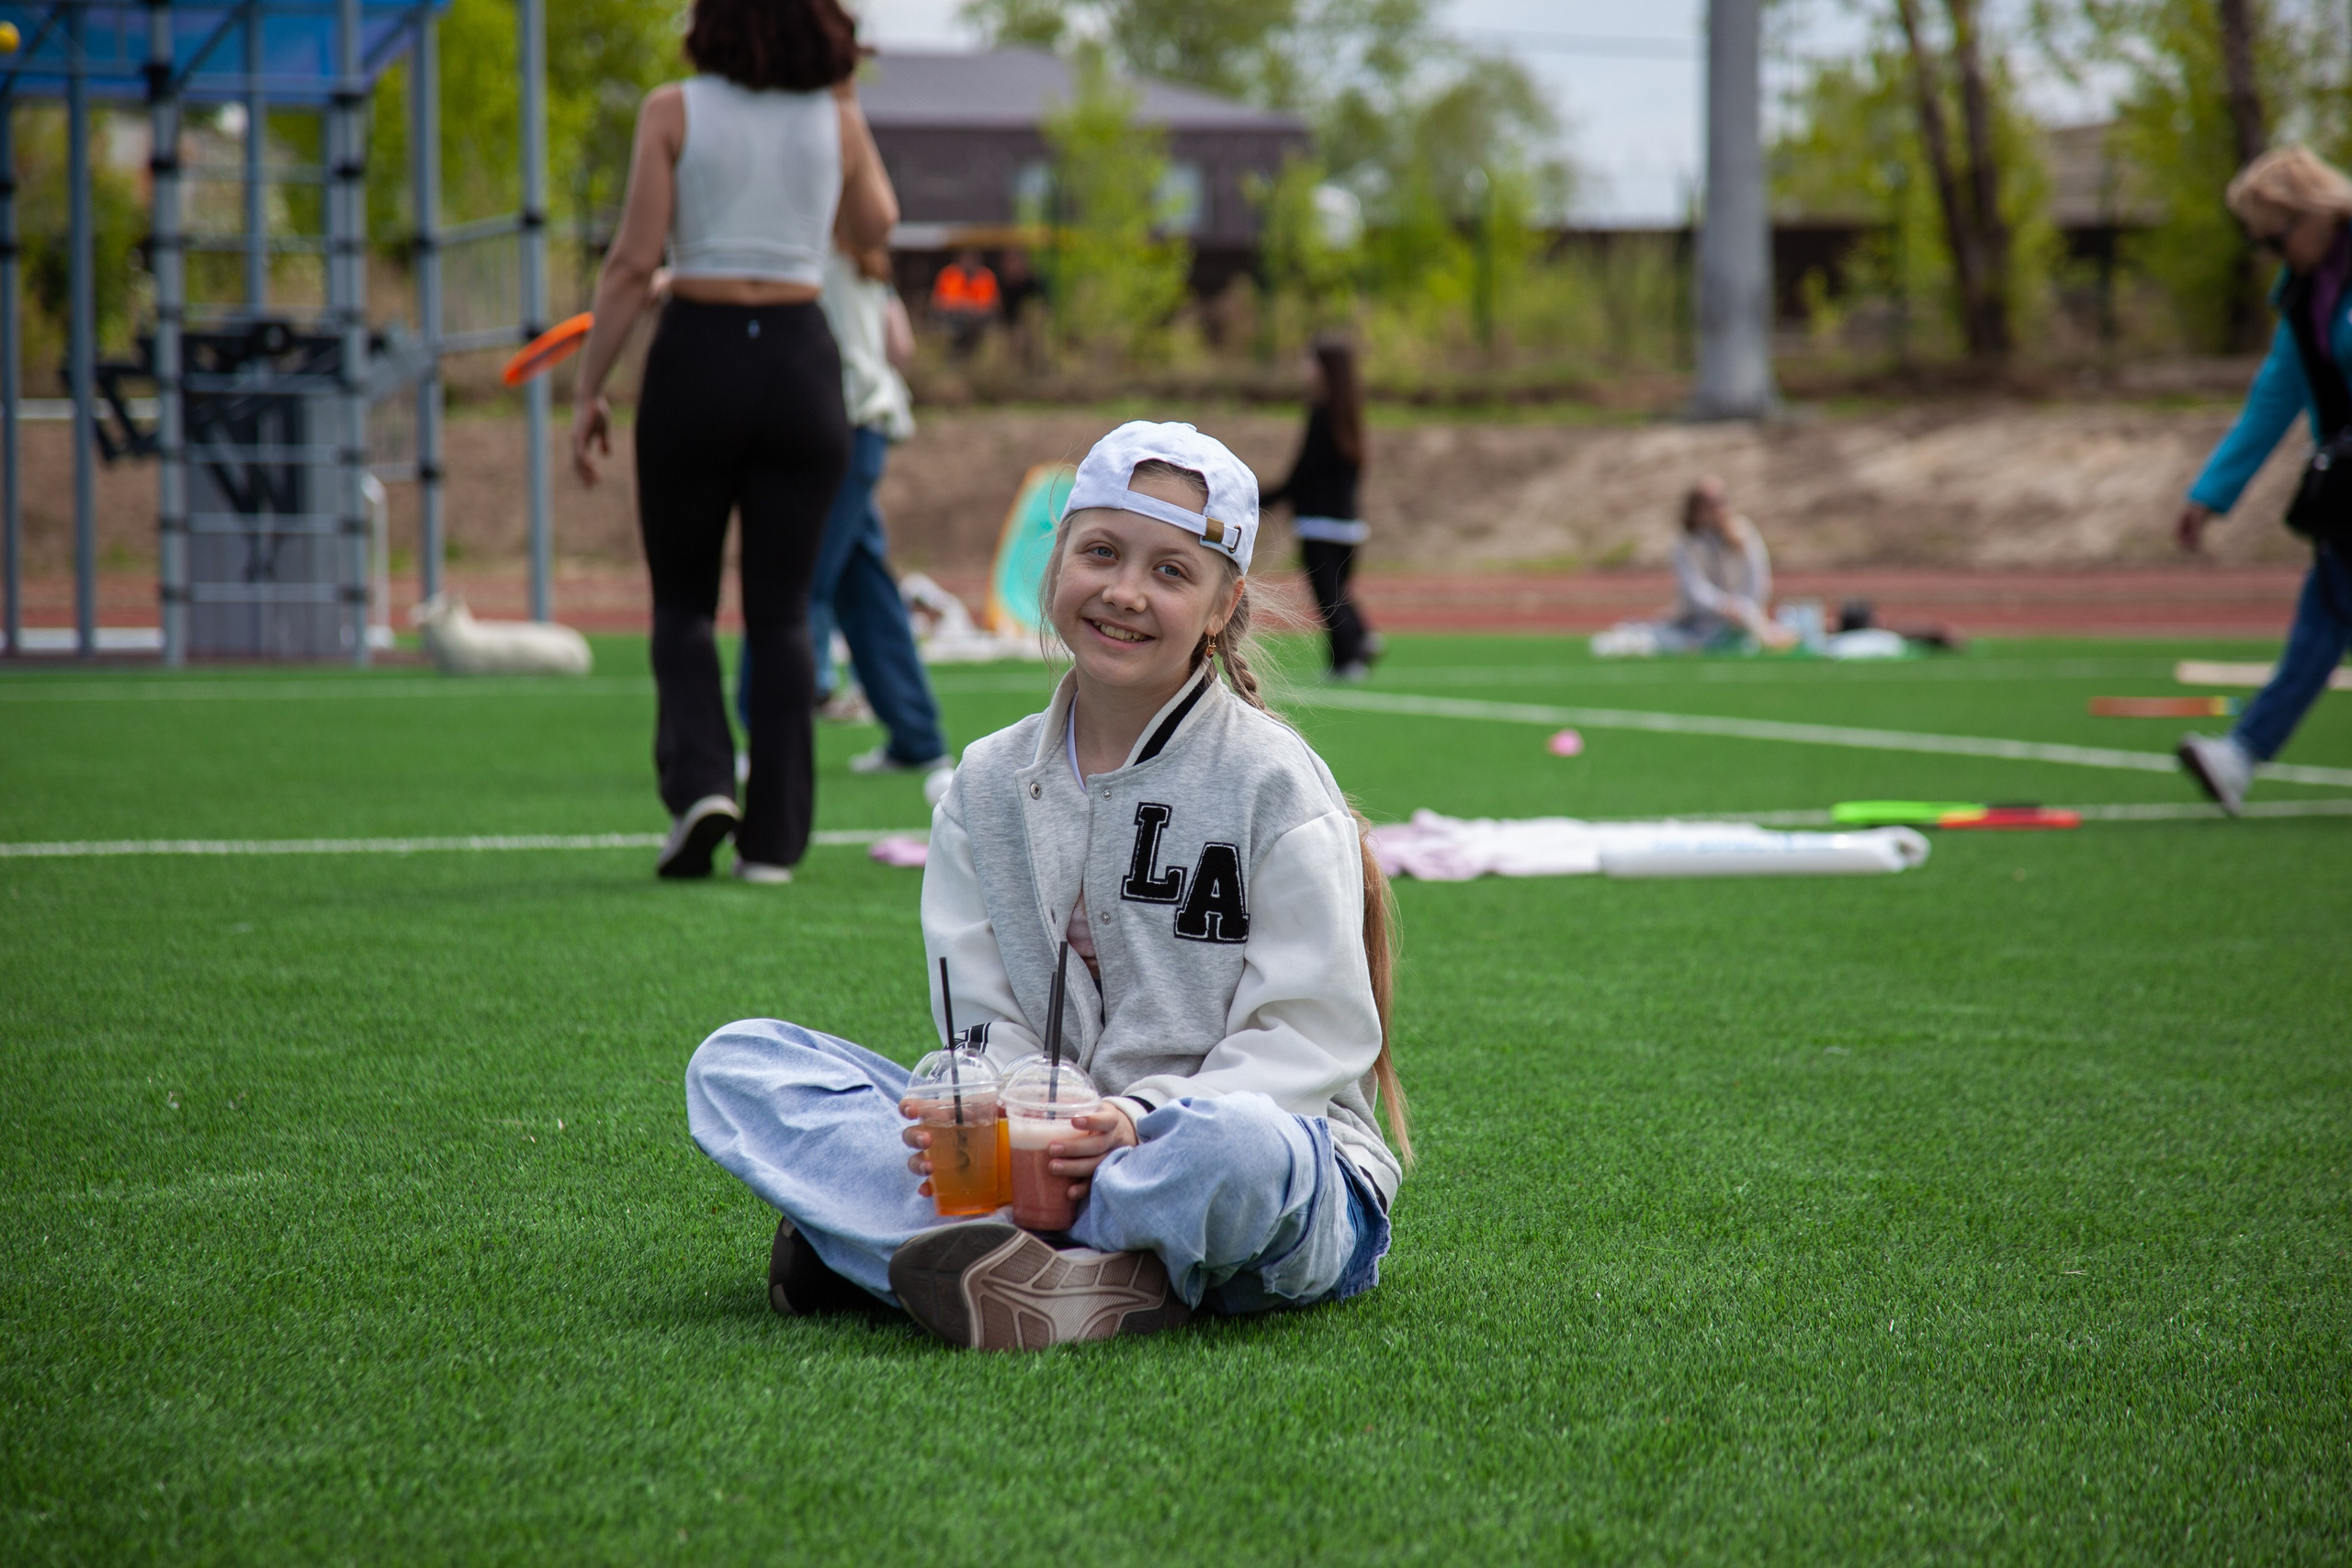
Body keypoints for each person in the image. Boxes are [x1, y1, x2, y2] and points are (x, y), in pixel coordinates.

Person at [684, 422, 1410, 1351]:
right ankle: (1077, 1275)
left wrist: (1131, 1120)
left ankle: (889, 1249)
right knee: (740, 1066)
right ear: (1055, 557)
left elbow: (1313, 1038)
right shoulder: (982, 785)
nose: (1124, 592)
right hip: (1040, 1163)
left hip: (1252, 1169)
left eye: (1171, 573)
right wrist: (1006, 1102)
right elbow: (978, 1017)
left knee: (1229, 1154)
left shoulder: (1273, 783)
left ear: (1224, 607)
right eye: (1100, 552)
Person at [567, 0, 898, 884]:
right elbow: (876, 227)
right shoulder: (834, 115)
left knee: (681, 603)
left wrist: (590, 386)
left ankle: (704, 783)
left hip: (698, 358)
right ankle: (775, 843)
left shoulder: (672, 110)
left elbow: (633, 265)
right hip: (799, 361)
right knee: (782, 611)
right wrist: (843, 93)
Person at [2175, 145, 2352, 815]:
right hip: (2346, 489)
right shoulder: (2308, 296)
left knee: (2328, 611)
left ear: (2315, 213)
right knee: (2329, 610)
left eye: (2277, 238)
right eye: (2262, 246)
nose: (2276, 255)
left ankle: (2243, 750)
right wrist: (2211, 491)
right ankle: (2242, 751)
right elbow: (2276, 394)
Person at [738, 244, 952, 785]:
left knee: (791, 582)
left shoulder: (798, 243)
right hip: (865, 423)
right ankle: (916, 738)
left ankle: (768, 742)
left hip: (827, 425)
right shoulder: (862, 249)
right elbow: (899, 345)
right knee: (863, 586)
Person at [1262, 337, 1383, 681]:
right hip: (1348, 525)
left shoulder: (1322, 415)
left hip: (1318, 523)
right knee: (1337, 592)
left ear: (1325, 368)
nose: (1304, 369)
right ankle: (1358, 638)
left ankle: (1350, 657)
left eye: (1309, 361)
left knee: (1328, 595)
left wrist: (1260, 498)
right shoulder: (1349, 415)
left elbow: (1302, 474)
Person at [1593, 478, 1795, 655]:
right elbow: (1696, 590)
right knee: (1664, 638)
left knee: (1755, 630)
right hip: (1700, 620)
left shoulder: (1743, 533)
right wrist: (1724, 607)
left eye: (1721, 502)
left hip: (1743, 616)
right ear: (1697, 509)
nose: (1718, 508)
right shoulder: (1686, 544)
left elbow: (1757, 578)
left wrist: (1745, 609)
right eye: (1711, 504)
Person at [929, 249, 1000, 358]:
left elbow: (993, 305)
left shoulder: (986, 276)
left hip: (980, 322)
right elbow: (937, 302)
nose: (969, 261)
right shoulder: (949, 275)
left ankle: (978, 358)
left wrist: (973, 307)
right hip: (953, 320)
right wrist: (960, 305)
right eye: (966, 257)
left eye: (972, 258)